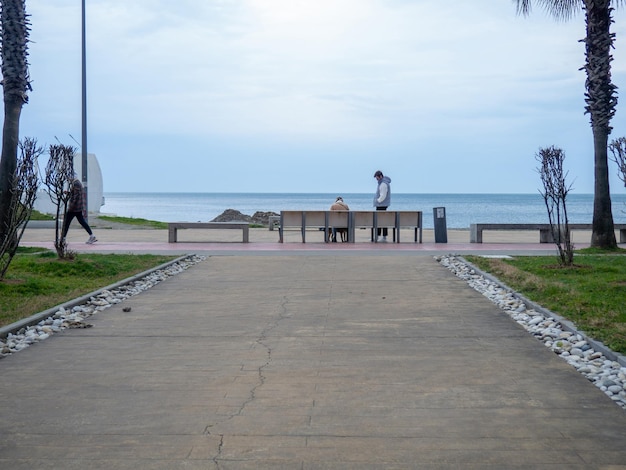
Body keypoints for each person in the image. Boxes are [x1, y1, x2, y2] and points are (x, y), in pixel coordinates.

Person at [61, 173, 97, 244]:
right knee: (82, 221)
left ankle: (63, 239)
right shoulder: (77, 183)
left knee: (66, 222)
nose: (68, 179)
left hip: (74, 208)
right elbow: (75, 193)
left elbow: (76, 196)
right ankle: (92, 235)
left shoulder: (76, 183)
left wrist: (71, 206)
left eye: (69, 177)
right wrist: (68, 193)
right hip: (78, 207)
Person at [373, 170, 391, 242]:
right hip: (382, 205)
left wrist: (377, 200)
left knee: (381, 221)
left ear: (380, 176)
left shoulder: (383, 184)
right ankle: (380, 236)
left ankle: (382, 237)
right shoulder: (382, 183)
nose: (377, 180)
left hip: (381, 205)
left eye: (377, 178)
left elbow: (383, 195)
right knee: (381, 221)